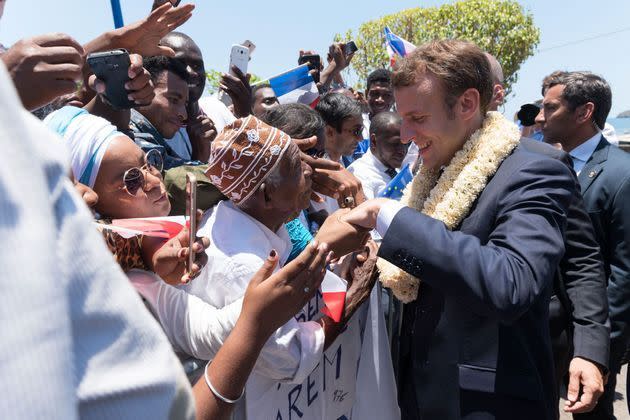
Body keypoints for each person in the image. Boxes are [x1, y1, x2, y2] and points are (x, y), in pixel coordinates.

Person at [318, 39, 575, 419]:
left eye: (418, 119)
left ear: (467, 104)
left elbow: (511, 282)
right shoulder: (434, 170)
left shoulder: (536, 172)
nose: (404, 134)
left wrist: (386, 216)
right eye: (402, 118)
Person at [187, 115, 397, 419]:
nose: (311, 173)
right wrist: (352, 297)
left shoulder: (256, 218)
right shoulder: (245, 266)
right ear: (266, 194)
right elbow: (291, 357)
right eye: (298, 168)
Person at [488, 55, 609, 415]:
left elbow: (583, 261)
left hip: (526, 352)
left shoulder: (539, 161)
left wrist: (589, 348)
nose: (540, 116)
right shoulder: (426, 163)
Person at [537, 71, 630, 420]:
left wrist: (603, 347)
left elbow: (623, 271)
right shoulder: (544, 167)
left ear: (583, 112)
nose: (540, 117)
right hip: (548, 331)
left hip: (593, 334)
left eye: (551, 107)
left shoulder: (621, 175)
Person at [348, 111, 409, 199]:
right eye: (395, 143)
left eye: (406, 144)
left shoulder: (396, 169)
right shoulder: (360, 176)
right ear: (374, 141)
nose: (402, 150)